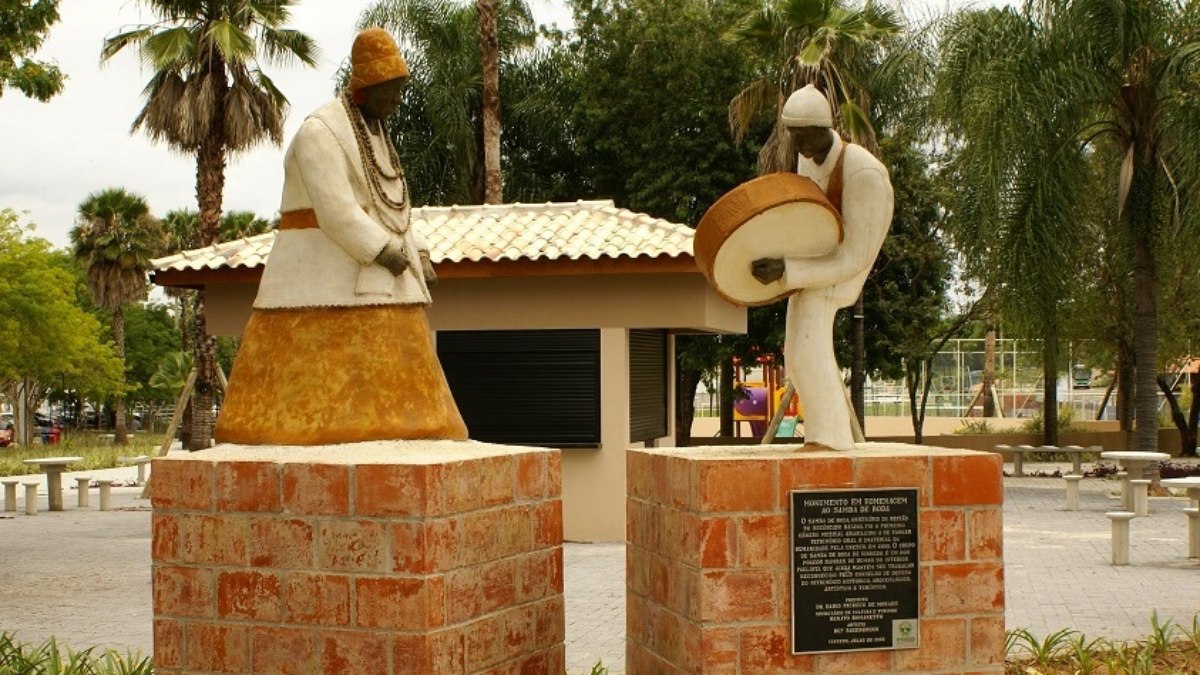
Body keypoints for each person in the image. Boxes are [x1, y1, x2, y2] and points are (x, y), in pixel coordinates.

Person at [215, 27, 468, 446]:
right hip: (316, 275)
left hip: (386, 274)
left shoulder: (376, 133)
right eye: (392, 90)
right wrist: (383, 250)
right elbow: (336, 211)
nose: (398, 100)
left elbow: (393, 206)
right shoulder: (321, 131)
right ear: (367, 90)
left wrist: (417, 251)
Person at [750, 84, 894, 449]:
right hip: (812, 264)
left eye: (804, 136)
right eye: (793, 136)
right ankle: (825, 435)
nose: (798, 145)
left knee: (809, 350)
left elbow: (854, 257)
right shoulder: (806, 157)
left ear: (823, 128)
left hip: (842, 267)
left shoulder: (863, 173)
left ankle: (831, 440)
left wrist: (788, 269)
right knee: (796, 356)